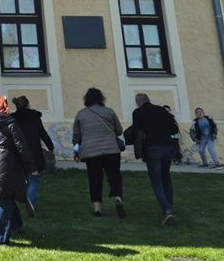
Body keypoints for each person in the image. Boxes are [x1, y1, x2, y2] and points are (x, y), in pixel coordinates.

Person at [0, 95, 36, 245]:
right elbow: (22, 147)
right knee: (5, 200)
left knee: (6, 195)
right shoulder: (11, 123)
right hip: (10, 166)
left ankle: (16, 225)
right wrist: (32, 167)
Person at [125, 92, 180, 225]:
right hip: (167, 147)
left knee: (156, 180)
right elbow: (174, 129)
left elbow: (136, 129)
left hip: (152, 148)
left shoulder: (138, 112)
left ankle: (167, 210)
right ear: (148, 99)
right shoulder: (162, 110)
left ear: (138, 102)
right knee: (166, 176)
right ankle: (169, 205)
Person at [72, 87, 126, 218]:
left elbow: (76, 137)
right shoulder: (109, 111)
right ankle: (118, 198)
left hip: (91, 153)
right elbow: (119, 131)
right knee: (114, 176)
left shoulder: (81, 114)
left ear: (87, 99)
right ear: (101, 98)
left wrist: (76, 152)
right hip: (111, 150)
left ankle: (97, 209)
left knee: (94, 179)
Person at [11, 95, 55, 217]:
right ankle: (30, 201)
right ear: (28, 105)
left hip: (18, 153)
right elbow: (42, 133)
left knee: (19, 179)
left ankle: (17, 201)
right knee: (33, 180)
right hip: (34, 153)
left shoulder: (12, 119)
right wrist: (51, 147)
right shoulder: (35, 117)